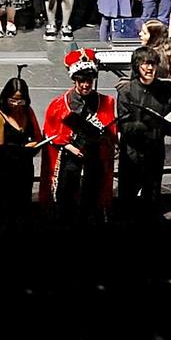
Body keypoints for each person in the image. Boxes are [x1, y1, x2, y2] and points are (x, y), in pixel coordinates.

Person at [42, 48, 117, 225]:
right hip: (70, 159)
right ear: (75, 79)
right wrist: (69, 147)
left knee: (92, 200)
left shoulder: (106, 102)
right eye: (81, 80)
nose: (85, 85)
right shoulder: (59, 105)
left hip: (95, 158)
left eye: (89, 80)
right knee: (66, 201)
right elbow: (50, 132)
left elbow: (110, 133)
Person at [114, 47, 171, 219]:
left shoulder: (165, 91)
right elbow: (125, 126)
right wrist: (150, 124)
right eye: (145, 64)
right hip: (133, 153)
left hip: (155, 152)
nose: (150, 69)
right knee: (127, 199)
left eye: (153, 64)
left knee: (152, 197)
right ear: (137, 66)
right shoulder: (126, 91)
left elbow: (170, 122)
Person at [0, 76, 44, 230]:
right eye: (13, 100)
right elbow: (0, 148)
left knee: (21, 208)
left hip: (23, 169)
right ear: (5, 98)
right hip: (2, 171)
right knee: (0, 209)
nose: (17, 105)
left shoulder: (27, 112)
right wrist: (25, 148)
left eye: (20, 101)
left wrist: (34, 145)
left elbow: (38, 137)